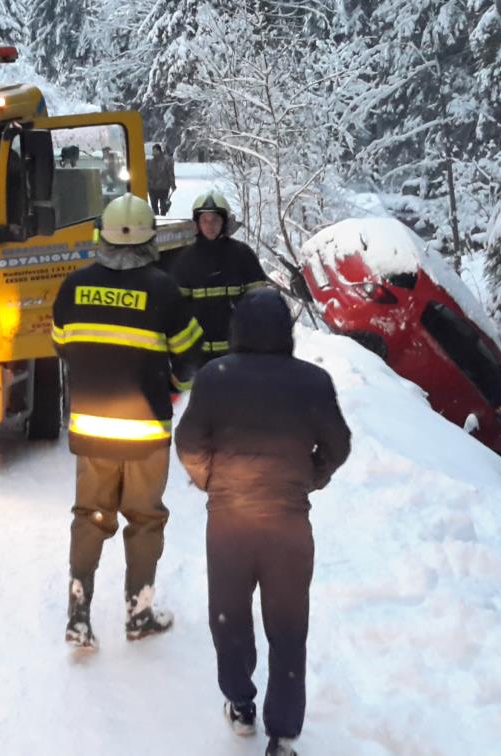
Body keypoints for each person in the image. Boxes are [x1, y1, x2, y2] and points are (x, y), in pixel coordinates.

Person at [175, 289, 351, 756]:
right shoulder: (314, 381)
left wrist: (210, 481)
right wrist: (309, 480)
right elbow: (339, 446)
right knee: (289, 627)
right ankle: (284, 736)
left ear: (238, 331)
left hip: (229, 522)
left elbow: (188, 441)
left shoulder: (216, 376)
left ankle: (240, 702)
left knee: (229, 617)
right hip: (289, 526)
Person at [51, 193, 203, 649]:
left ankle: (79, 616)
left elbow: (63, 346)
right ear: (149, 240)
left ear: (102, 236)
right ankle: (139, 615)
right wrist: (170, 383)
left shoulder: (73, 287)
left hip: (91, 430)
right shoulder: (164, 291)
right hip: (145, 434)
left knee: (91, 517)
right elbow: (190, 359)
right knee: (144, 519)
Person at [169, 190, 269, 362]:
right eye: (205, 220)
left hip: (239, 352)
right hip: (199, 355)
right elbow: (177, 312)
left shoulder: (243, 255)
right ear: (197, 223)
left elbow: (260, 304)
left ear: (224, 222)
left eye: (215, 220)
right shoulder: (185, 260)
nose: (210, 225)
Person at [148, 144, 176, 215]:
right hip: (152, 189)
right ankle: (157, 219)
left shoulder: (166, 161)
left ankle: (163, 219)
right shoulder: (150, 162)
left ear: (159, 151)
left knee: (163, 208)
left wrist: (173, 185)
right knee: (154, 208)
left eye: (155, 150)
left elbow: (170, 174)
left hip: (163, 188)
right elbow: (147, 175)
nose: (154, 152)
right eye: (153, 151)